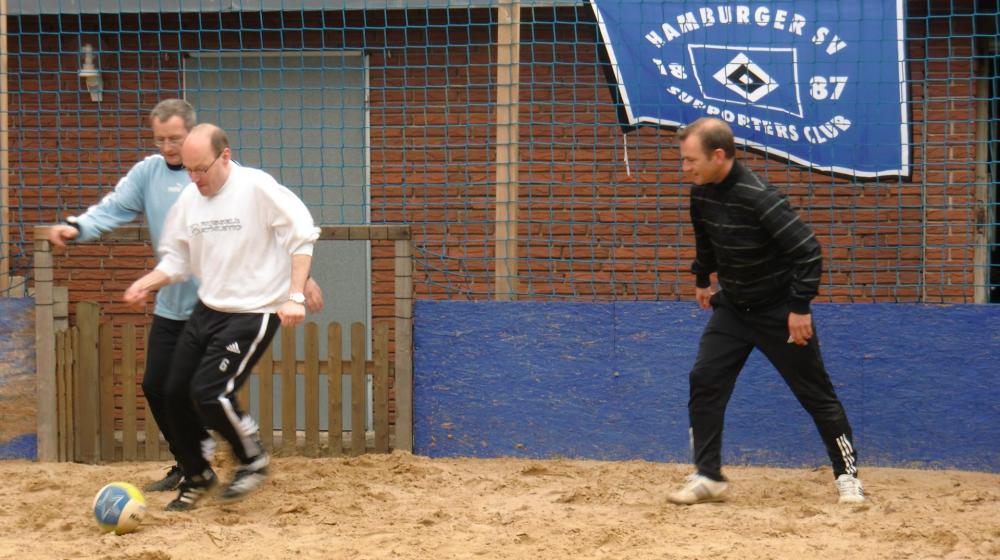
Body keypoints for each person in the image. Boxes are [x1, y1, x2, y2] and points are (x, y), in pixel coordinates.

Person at [49, 101, 323, 493]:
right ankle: (193, 468)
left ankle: (243, 457)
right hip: (190, 304)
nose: (172, 152)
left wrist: (299, 287)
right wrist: (135, 272)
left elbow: (285, 235)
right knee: (165, 389)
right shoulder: (167, 185)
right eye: (161, 141)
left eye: (177, 141)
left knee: (208, 392)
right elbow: (148, 235)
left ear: (212, 149)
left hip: (238, 307)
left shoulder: (242, 183)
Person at [667, 117, 864, 505]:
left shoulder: (759, 197)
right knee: (704, 379)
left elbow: (808, 251)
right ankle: (709, 477)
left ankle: (848, 476)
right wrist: (703, 278)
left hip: (779, 313)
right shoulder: (701, 192)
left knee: (816, 395)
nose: (685, 167)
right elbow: (705, 237)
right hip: (734, 308)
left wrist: (799, 307)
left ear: (718, 155)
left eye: (691, 160)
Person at [123, 123, 320, 511]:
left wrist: (295, 295)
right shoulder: (190, 200)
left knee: (210, 393)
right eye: (189, 170)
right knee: (172, 392)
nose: (195, 179)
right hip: (208, 308)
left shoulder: (256, 188)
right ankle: (197, 475)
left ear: (224, 156)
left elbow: (300, 235)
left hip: (253, 311)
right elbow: (178, 258)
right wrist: (148, 281)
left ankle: (253, 459)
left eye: (202, 169)